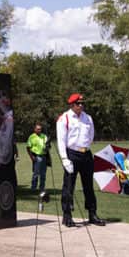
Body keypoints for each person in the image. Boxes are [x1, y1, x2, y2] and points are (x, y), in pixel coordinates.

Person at [56, 93, 105, 227]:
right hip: (72, 153)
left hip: (86, 153)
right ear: (72, 105)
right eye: (78, 104)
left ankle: (92, 213)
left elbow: (91, 135)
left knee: (88, 186)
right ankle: (67, 215)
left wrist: (85, 147)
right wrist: (65, 159)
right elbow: (61, 141)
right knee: (69, 186)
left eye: (83, 103)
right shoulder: (64, 118)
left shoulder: (87, 118)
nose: (81, 106)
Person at [26, 123, 50, 193]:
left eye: (40, 129)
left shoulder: (44, 136)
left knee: (43, 174)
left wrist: (47, 147)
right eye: (38, 129)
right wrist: (32, 157)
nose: (39, 130)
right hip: (36, 156)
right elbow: (28, 148)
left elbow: (48, 145)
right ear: (35, 129)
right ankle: (33, 188)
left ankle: (42, 188)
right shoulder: (32, 137)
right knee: (36, 174)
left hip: (44, 157)